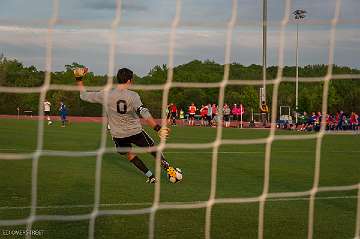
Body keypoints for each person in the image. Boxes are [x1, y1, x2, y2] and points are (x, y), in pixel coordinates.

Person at [75, 67, 177, 183]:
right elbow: (143, 111)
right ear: (129, 80)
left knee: (129, 154)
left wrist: (79, 79)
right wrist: (157, 128)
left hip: (118, 134)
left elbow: (83, 95)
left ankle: (151, 176)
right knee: (153, 150)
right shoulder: (133, 95)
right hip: (135, 132)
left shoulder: (106, 94)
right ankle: (170, 171)